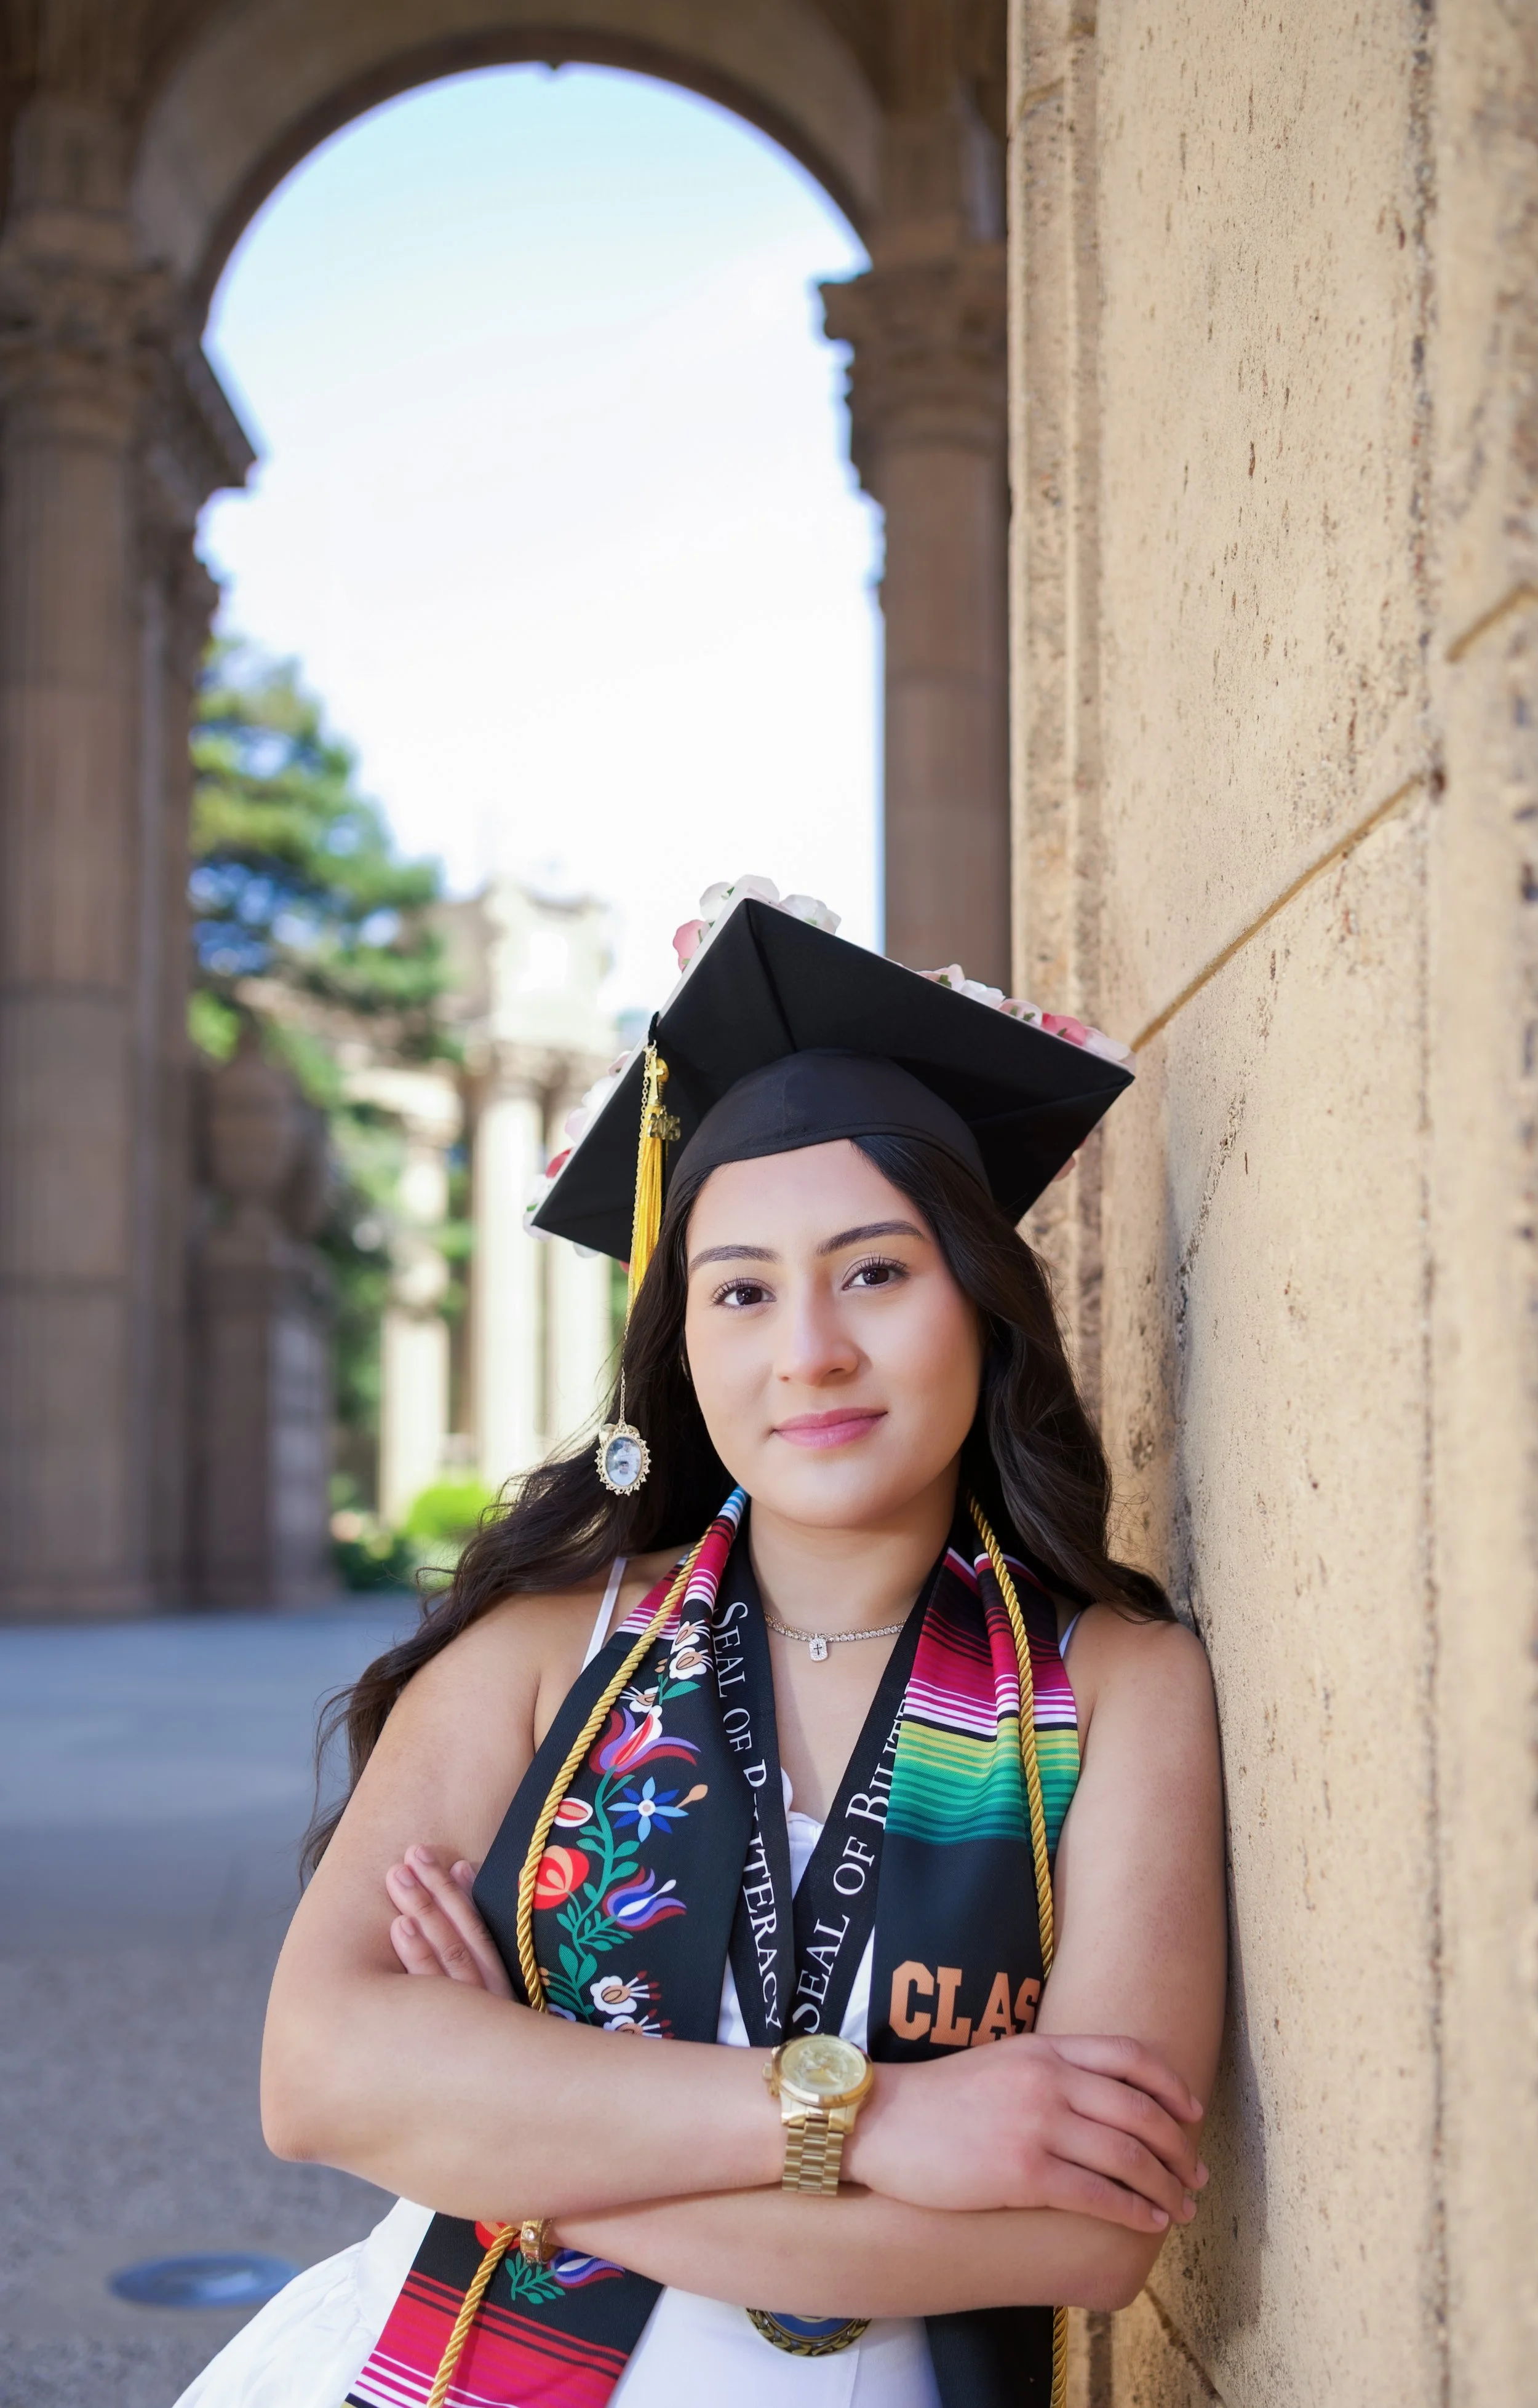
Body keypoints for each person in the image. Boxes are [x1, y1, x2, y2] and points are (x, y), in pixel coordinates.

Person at [177, 885, 1225, 2408]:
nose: (808, 1350)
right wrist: (871, 2122)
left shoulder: (1110, 1689)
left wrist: (512, 2139)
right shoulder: (550, 1652)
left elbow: (1086, 2231)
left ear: (981, 1304)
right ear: (683, 1343)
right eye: (739, 1290)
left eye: (874, 1270)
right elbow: (315, 2076)